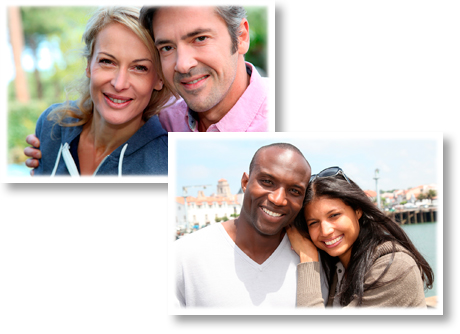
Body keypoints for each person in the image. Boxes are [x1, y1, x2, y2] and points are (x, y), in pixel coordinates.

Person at [175, 143, 329, 307]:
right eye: (267, 182)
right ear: (245, 182)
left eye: (294, 191)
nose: (278, 199)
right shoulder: (184, 256)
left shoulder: (318, 261)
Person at [28, 6, 173, 176]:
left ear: (159, 79)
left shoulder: (167, 164)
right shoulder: (51, 124)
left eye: (140, 68)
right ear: (88, 64)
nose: (119, 84)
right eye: (107, 61)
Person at [286, 167, 434, 307]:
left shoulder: (395, 267)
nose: (325, 231)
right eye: (313, 223)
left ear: (357, 210)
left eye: (334, 215)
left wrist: (308, 259)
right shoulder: (336, 267)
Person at [140, 6, 269, 132]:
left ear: (241, 37)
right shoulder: (162, 122)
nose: (183, 65)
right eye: (167, 48)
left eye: (200, 39)